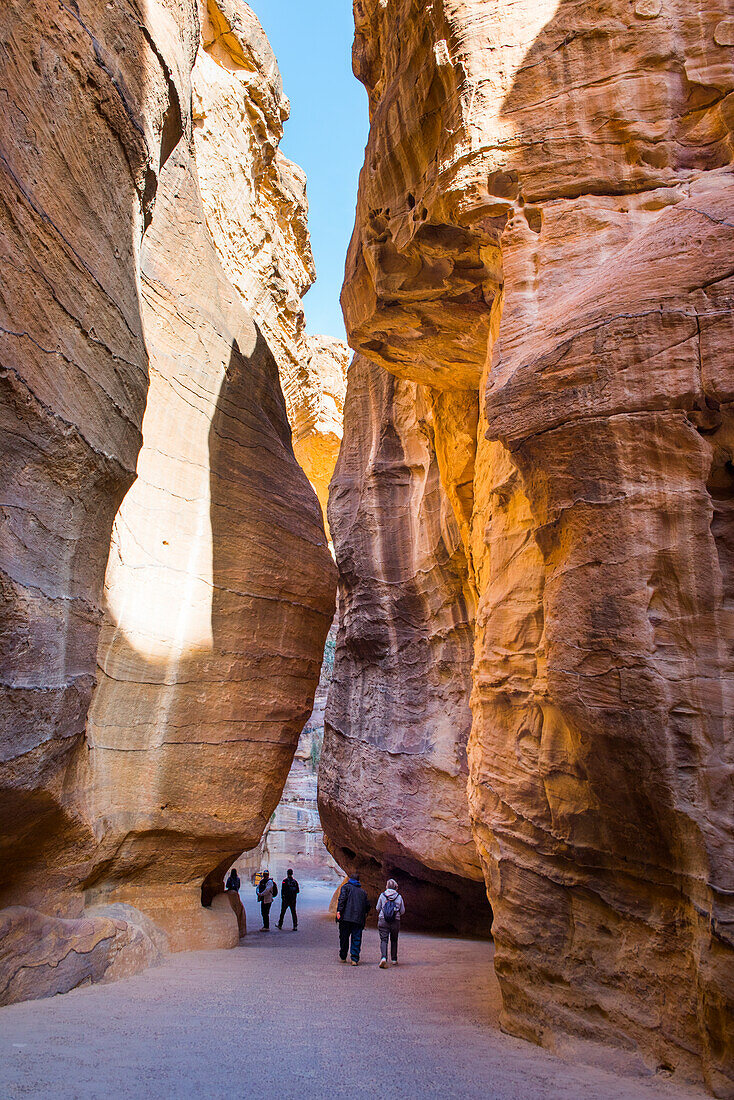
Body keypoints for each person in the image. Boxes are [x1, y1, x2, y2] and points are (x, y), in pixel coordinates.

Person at [336, 874, 370, 965]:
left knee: (344, 937)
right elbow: (367, 906)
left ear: (350, 879)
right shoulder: (363, 892)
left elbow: (342, 899)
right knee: (356, 938)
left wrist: (339, 911)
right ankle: (354, 958)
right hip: (358, 919)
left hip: (345, 918)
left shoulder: (346, 887)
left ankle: (343, 956)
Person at [376, 878, 405, 967]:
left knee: (384, 939)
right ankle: (394, 959)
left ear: (387, 886)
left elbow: (378, 908)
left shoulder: (382, 895)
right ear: (395, 887)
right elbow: (402, 910)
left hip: (383, 919)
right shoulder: (399, 897)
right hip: (395, 921)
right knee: (394, 939)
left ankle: (384, 957)